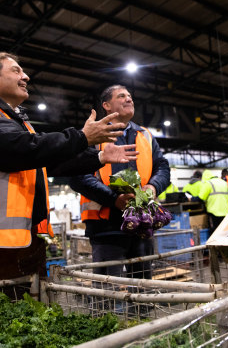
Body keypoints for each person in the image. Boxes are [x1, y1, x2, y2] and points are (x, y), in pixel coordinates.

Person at [0, 51, 138, 317]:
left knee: (21, 322)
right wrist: (80, 137)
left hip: (17, 241)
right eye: (16, 70)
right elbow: (20, 150)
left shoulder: (15, 123)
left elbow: (47, 162)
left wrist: (100, 156)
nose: (26, 76)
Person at [69, 85, 170, 280]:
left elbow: (163, 167)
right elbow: (78, 176)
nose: (129, 99)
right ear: (106, 105)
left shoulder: (146, 135)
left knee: (142, 287)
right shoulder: (92, 136)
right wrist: (114, 199)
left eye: (130, 96)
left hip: (142, 224)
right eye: (121, 96)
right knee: (108, 289)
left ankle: (142, 311)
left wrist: (153, 186)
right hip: (105, 227)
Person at [198, 170, 228, 234]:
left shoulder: (208, 183)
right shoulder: (224, 182)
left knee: (214, 232)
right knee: (223, 231)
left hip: (213, 212)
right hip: (225, 212)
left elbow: (201, 197)